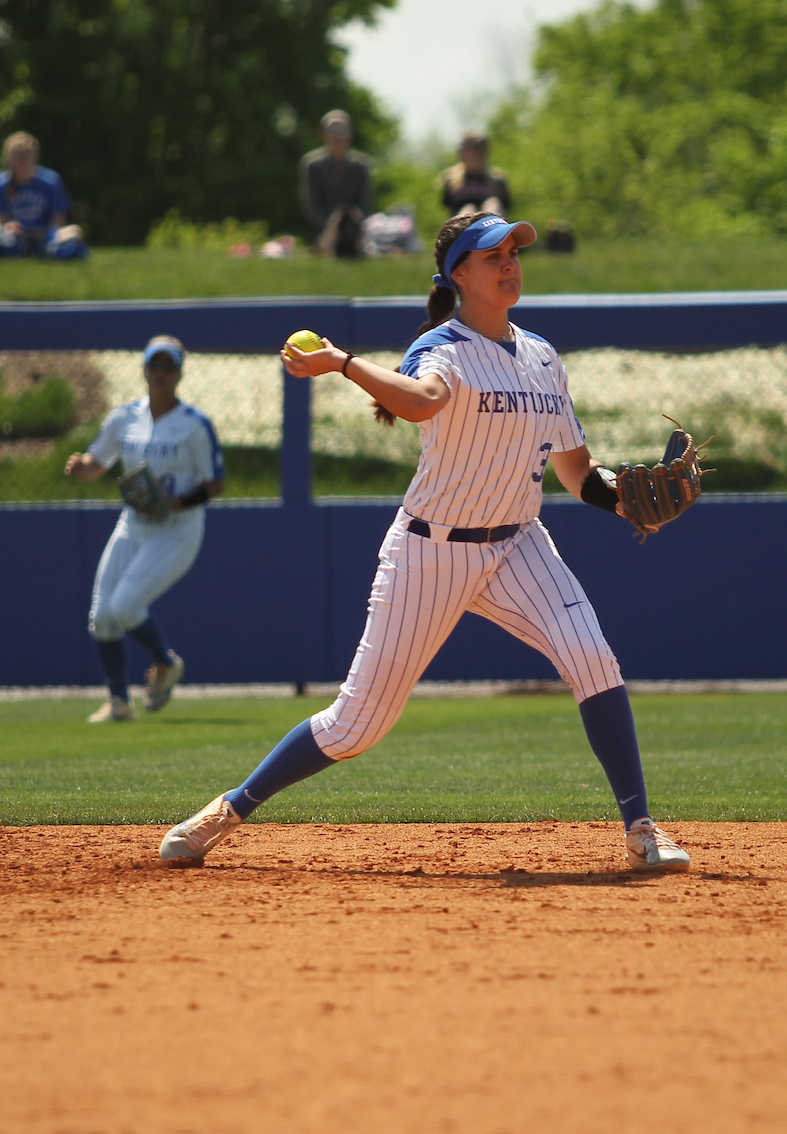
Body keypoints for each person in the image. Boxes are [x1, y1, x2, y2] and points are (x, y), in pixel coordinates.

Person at [159, 213, 690, 874]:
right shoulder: (442, 347)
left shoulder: (543, 357)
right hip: (430, 552)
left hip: (518, 543)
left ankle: (641, 829)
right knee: (356, 727)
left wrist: (624, 499)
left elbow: (578, 474)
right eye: (492, 254)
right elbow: (420, 402)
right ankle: (229, 809)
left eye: (514, 251)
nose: (510, 263)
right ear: (457, 274)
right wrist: (344, 363)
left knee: (592, 657)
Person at [66, 336, 225, 722]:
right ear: (144, 370)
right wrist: (81, 468)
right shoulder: (124, 418)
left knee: (125, 606)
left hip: (177, 528)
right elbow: (97, 463)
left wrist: (175, 503)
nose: (161, 373)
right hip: (133, 523)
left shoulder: (194, 424)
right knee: (102, 616)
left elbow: (214, 483)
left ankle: (165, 663)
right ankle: (119, 702)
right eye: (155, 365)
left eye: (169, 366)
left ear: (179, 373)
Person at [0, 131, 87, 259]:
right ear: (8, 157)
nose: (21, 160)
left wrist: (44, 233)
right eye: (16, 155)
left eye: (26, 154)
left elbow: (58, 221)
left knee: (73, 236)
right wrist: (8, 227)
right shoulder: (2, 184)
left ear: (35, 156)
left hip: (45, 237)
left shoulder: (50, 181)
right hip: (14, 238)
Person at [299, 110, 372, 257]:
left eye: (342, 131)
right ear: (323, 135)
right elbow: (312, 205)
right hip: (323, 229)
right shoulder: (312, 165)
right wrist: (334, 223)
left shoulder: (361, 165)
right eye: (333, 131)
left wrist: (353, 219)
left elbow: (366, 203)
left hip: (354, 227)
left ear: (350, 135)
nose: (338, 136)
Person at [439, 134, 511, 219]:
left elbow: (506, 210)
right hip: (463, 224)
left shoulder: (497, 180)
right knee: (468, 209)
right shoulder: (452, 181)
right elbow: (449, 213)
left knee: (492, 204)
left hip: (491, 220)